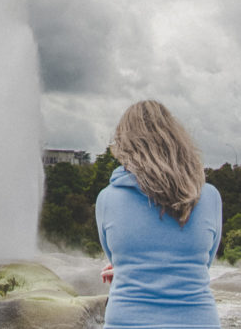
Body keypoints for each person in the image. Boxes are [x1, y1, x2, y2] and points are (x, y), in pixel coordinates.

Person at [95, 99, 222, 328]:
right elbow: (204, 262)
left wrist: (130, 267)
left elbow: (114, 256)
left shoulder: (107, 198)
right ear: (177, 140)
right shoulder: (209, 196)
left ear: (124, 145)